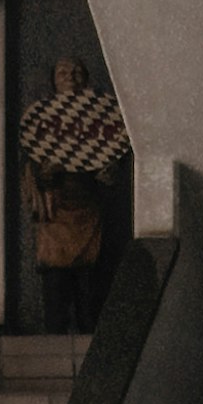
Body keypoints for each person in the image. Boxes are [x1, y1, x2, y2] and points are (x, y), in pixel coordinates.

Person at [20, 57, 125, 334]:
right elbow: (30, 166)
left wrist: (107, 172)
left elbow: (110, 162)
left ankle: (88, 337)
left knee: (89, 288)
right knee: (56, 286)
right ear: (53, 80)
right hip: (56, 212)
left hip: (87, 211)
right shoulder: (40, 120)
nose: (71, 77)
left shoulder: (99, 119)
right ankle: (56, 337)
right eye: (64, 72)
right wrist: (44, 173)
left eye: (77, 72)